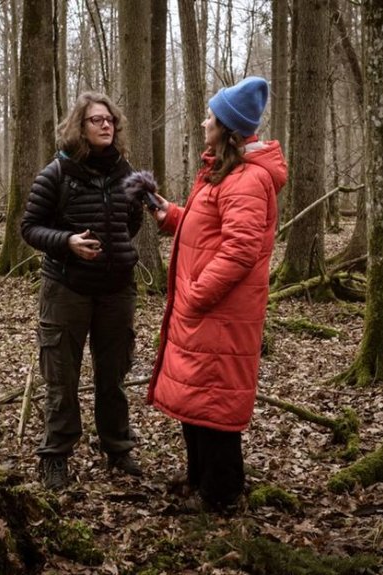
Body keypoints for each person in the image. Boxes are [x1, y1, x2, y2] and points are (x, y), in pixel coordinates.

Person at [145, 76, 288, 511]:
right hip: (205, 311)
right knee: (198, 400)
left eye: (210, 116)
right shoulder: (224, 172)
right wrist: (168, 213)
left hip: (218, 312)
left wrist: (196, 294)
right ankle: (198, 476)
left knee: (215, 403)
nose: (203, 121)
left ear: (227, 128)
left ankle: (221, 493)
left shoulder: (247, 178)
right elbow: (207, 228)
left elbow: (240, 248)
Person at [21, 92, 145, 490]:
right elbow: (30, 228)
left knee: (114, 375)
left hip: (116, 292)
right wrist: (68, 242)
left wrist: (114, 253)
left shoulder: (128, 174)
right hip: (66, 289)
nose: (105, 125)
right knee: (62, 376)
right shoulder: (56, 173)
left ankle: (118, 448)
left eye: (110, 120)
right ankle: (56, 454)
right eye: (96, 120)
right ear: (80, 126)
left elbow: (133, 222)